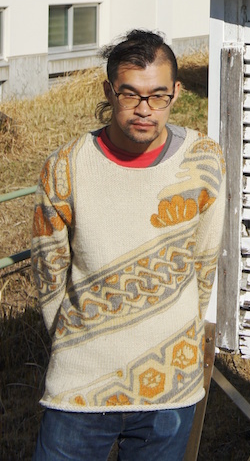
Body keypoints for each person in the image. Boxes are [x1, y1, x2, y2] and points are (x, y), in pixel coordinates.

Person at [31, 29, 226, 461]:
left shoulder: (204, 161)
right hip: (79, 387)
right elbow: (48, 273)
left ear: (176, 92)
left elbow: (205, 263)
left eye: (158, 95)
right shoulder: (65, 167)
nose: (145, 110)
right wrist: (78, 343)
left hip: (169, 392)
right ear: (108, 91)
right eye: (130, 94)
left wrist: (174, 334)